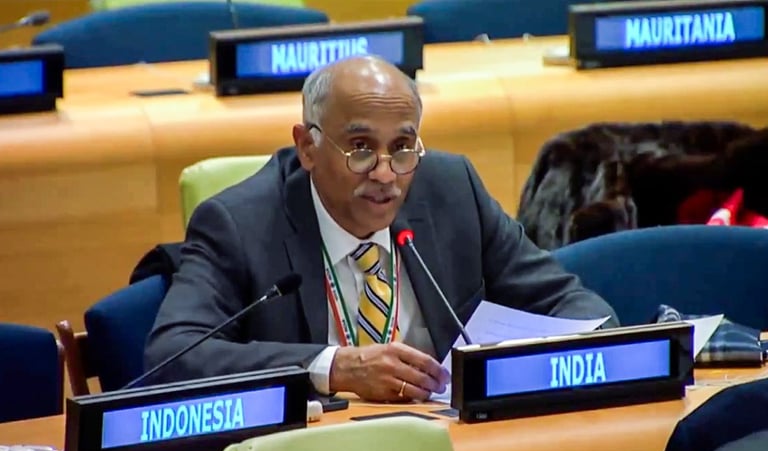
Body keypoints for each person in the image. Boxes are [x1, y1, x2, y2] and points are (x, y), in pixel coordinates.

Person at [144, 55, 618, 402]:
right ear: (307, 147)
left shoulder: (453, 191)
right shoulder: (238, 224)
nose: (386, 173)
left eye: (403, 147)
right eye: (360, 148)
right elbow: (172, 355)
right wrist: (334, 367)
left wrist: (523, 368)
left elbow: (572, 305)